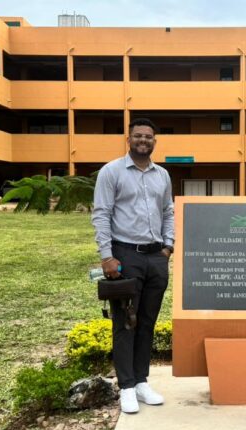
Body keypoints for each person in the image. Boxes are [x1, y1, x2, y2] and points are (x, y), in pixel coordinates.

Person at [91, 118, 175, 414]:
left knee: (147, 321)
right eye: (137, 136)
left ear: (155, 141)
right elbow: (101, 214)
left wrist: (168, 246)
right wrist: (107, 256)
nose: (143, 140)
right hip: (125, 256)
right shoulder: (111, 172)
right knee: (126, 322)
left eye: (148, 137)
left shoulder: (162, 175)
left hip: (156, 258)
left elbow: (168, 211)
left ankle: (141, 381)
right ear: (129, 139)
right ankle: (126, 386)